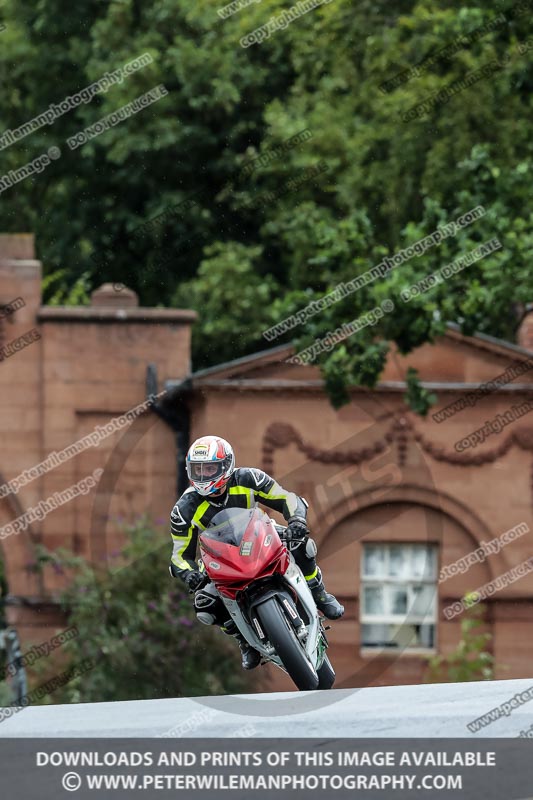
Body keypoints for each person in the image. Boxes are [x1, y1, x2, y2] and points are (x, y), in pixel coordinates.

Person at [168, 435, 344, 670]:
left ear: (226, 465)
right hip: (220, 557)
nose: (204, 476)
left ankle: (319, 593)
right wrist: (189, 574)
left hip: (261, 534)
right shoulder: (184, 509)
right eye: (197, 470)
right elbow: (179, 556)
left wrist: (297, 521)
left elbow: (286, 498)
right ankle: (244, 640)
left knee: (302, 544)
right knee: (204, 604)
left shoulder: (249, 477)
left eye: (210, 468)